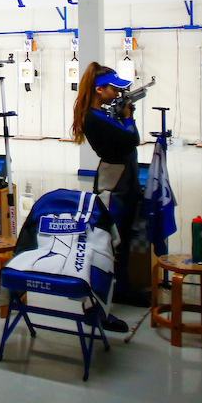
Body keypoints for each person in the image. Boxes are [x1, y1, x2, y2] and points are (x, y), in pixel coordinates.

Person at [70, 62, 142, 331]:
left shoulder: (101, 113)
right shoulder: (94, 117)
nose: (117, 93)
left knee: (122, 239)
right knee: (108, 243)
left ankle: (121, 289)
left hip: (123, 178)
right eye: (113, 88)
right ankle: (97, 304)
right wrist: (128, 116)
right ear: (99, 90)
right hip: (114, 183)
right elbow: (130, 138)